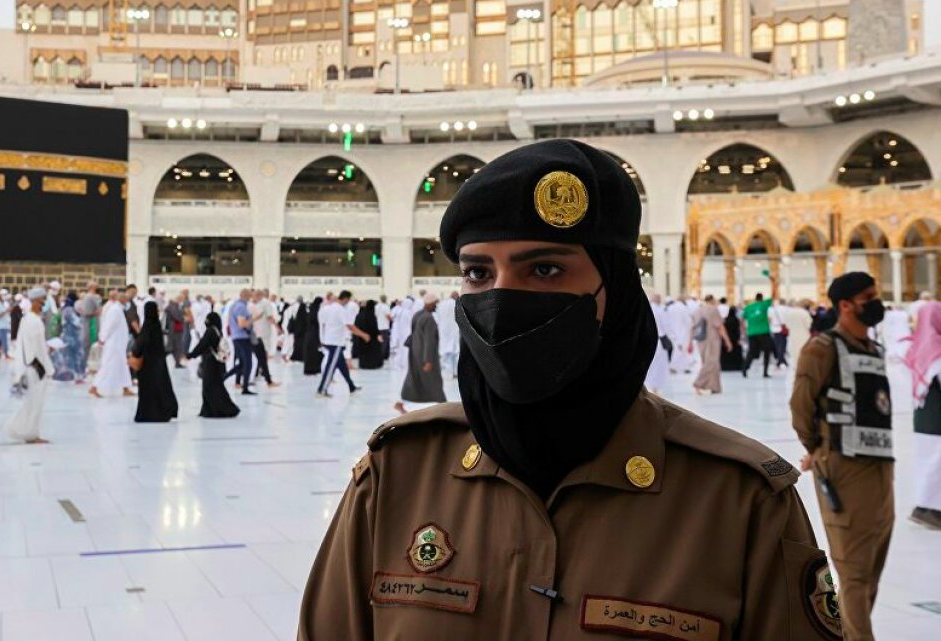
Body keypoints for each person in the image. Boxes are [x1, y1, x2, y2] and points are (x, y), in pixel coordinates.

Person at [300, 139, 837, 640]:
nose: (502, 297)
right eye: (478, 273)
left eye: (546, 268)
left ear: (618, 288)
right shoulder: (397, 477)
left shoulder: (736, 503)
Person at [790, 271, 893, 641]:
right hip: (843, 470)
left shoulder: (872, 350)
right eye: (868, 296)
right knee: (852, 573)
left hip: (881, 469)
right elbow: (801, 408)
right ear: (845, 305)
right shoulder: (822, 349)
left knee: (871, 572)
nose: (875, 302)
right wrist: (818, 451)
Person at [905, 300, 941, 529]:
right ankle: (928, 510)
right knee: (936, 465)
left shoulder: (919, 347)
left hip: (924, 419)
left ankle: (926, 506)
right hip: (936, 421)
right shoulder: (938, 352)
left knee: (928, 463)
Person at [5, 287, 53, 444]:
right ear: (35, 301)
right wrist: (46, 367)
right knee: (34, 402)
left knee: (34, 402)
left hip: (34, 365)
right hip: (35, 367)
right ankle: (26, 432)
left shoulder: (30, 319)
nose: (43, 304)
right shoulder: (32, 320)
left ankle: (28, 432)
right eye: (42, 301)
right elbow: (35, 349)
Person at [394, 293, 445, 414]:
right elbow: (429, 340)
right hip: (426, 354)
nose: (436, 306)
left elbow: (412, 334)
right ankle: (442, 404)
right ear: (430, 303)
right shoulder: (429, 318)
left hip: (415, 351)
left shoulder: (417, 315)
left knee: (414, 377)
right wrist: (428, 360)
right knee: (434, 380)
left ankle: (403, 402)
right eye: (434, 303)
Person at [132, 301, 179, 422]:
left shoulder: (147, 327)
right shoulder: (156, 326)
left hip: (147, 365)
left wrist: (135, 353)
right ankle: (162, 411)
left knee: (148, 390)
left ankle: (149, 414)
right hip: (158, 363)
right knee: (159, 387)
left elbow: (141, 343)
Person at [187, 311, 240, 418]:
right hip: (217, 363)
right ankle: (210, 409)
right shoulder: (218, 331)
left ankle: (219, 410)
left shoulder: (210, 331)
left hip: (210, 363)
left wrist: (190, 355)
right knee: (216, 387)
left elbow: (202, 345)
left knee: (210, 387)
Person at [316, 290, 367, 398]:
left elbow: (323, 324)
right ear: (346, 299)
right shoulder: (340, 310)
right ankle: (322, 389)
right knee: (331, 367)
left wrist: (322, 338)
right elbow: (349, 326)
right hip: (336, 342)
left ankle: (351, 386)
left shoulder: (328, 308)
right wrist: (363, 335)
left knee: (342, 366)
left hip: (329, 340)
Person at [89, 290, 134, 398]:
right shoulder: (114, 310)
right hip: (113, 345)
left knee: (122, 366)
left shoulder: (118, 309)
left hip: (119, 345)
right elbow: (107, 326)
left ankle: (126, 388)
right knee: (107, 366)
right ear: (121, 299)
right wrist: (102, 338)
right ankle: (94, 387)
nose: (127, 301)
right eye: (126, 299)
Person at [691, 294, 730, 395]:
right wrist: (727, 341)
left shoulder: (697, 311)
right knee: (711, 363)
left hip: (701, 341)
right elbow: (720, 327)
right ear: (712, 300)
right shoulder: (713, 310)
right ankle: (698, 383)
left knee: (711, 364)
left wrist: (689, 342)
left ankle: (714, 386)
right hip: (712, 340)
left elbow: (692, 327)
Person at [226, 289, 256, 395]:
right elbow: (242, 324)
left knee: (241, 364)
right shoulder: (241, 307)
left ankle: (222, 378)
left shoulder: (234, 305)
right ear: (247, 295)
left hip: (236, 337)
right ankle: (245, 388)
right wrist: (253, 319)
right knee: (248, 363)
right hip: (242, 337)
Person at [249, 289, 280, 385]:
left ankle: (261, 373)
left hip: (260, 332)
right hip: (261, 333)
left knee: (260, 355)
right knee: (262, 354)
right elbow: (270, 317)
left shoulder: (262, 303)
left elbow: (269, 316)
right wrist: (277, 327)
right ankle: (262, 373)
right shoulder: (261, 304)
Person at [53, 293, 85, 383]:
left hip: (68, 336)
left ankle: (73, 376)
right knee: (77, 356)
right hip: (72, 337)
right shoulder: (69, 310)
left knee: (69, 357)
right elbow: (77, 323)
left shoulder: (65, 310)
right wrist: (82, 316)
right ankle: (78, 377)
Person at [743, 291, 775, 378]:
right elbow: (774, 295)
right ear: (762, 298)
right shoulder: (764, 304)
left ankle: (745, 368)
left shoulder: (748, 307)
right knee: (766, 352)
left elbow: (744, 318)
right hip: (763, 332)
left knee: (751, 352)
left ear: (755, 298)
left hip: (752, 332)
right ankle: (765, 372)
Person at [644, 292, 669, 393]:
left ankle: (649, 387)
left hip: (647, 340)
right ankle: (654, 388)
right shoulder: (660, 310)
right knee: (658, 365)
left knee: (649, 364)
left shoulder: (646, 309)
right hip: (659, 341)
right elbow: (666, 326)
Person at [665, 296, 694, 373]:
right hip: (683, 332)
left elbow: (666, 320)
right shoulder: (684, 308)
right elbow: (689, 322)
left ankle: (680, 366)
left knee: (675, 348)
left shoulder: (670, 308)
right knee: (682, 349)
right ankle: (679, 367)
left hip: (671, 332)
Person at [352, 300, 384, 370]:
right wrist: (377, 334)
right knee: (373, 351)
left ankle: (363, 364)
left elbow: (356, 325)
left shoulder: (359, 315)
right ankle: (372, 365)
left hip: (361, 337)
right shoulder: (371, 315)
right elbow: (373, 327)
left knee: (364, 352)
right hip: (371, 337)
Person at [784, 299, 815, 364]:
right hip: (804, 337)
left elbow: (786, 325)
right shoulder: (804, 313)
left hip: (792, 338)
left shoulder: (788, 313)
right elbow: (809, 325)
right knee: (805, 358)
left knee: (795, 358)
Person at [302, 296, 324, 375]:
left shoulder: (311, 310)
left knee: (312, 353)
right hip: (314, 334)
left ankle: (312, 369)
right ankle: (313, 369)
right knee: (313, 352)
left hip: (309, 334)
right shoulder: (315, 311)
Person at [165, 292, 188, 368]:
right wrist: (183, 318)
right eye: (181, 299)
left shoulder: (174, 305)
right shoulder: (173, 306)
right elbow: (176, 316)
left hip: (176, 328)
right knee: (173, 347)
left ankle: (177, 363)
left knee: (176, 347)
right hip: (174, 329)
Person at [721, 305, 745, 371]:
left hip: (727, 338)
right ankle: (736, 366)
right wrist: (742, 337)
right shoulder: (737, 320)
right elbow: (741, 329)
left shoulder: (725, 320)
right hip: (735, 338)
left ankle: (725, 366)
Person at [769, 299, 789, 369]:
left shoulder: (772, 309)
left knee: (777, 345)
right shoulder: (787, 309)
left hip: (774, 328)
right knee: (783, 345)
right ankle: (781, 360)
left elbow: (769, 319)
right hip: (783, 328)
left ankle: (781, 360)